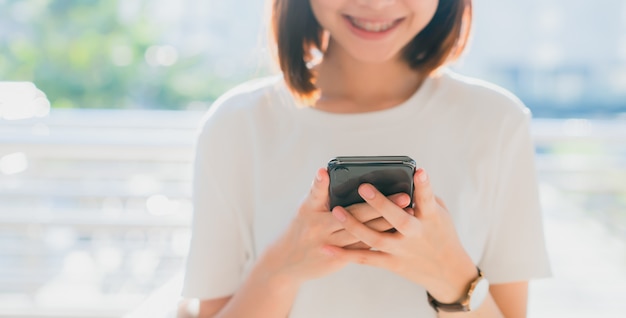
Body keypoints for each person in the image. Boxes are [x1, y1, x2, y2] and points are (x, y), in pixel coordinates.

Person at [178, 0, 551, 317]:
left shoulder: (498, 122)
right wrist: (281, 267)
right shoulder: (236, 125)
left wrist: (453, 276)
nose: (376, 3)